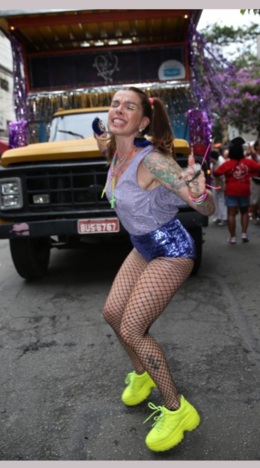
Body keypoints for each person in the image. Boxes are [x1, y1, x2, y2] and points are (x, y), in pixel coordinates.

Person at [95, 87, 214, 452]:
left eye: (129, 107)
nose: (118, 110)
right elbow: (106, 144)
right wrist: (105, 139)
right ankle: (143, 376)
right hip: (143, 245)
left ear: (143, 122)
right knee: (113, 313)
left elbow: (206, 208)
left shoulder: (154, 162)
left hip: (171, 250)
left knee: (133, 328)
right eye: (115, 103)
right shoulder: (115, 153)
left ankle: (178, 410)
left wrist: (200, 193)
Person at [215, 137, 260, 243]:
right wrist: (254, 157)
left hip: (231, 191)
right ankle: (244, 234)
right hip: (244, 191)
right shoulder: (247, 162)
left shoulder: (227, 163)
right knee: (244, 212)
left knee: (231, 214)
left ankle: (232, 237)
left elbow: (216, 173)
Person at [247, 140, 260, 225]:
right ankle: (255, 217)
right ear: (256, 147)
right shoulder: (252, 157)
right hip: (256, 180)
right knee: (255, 201)